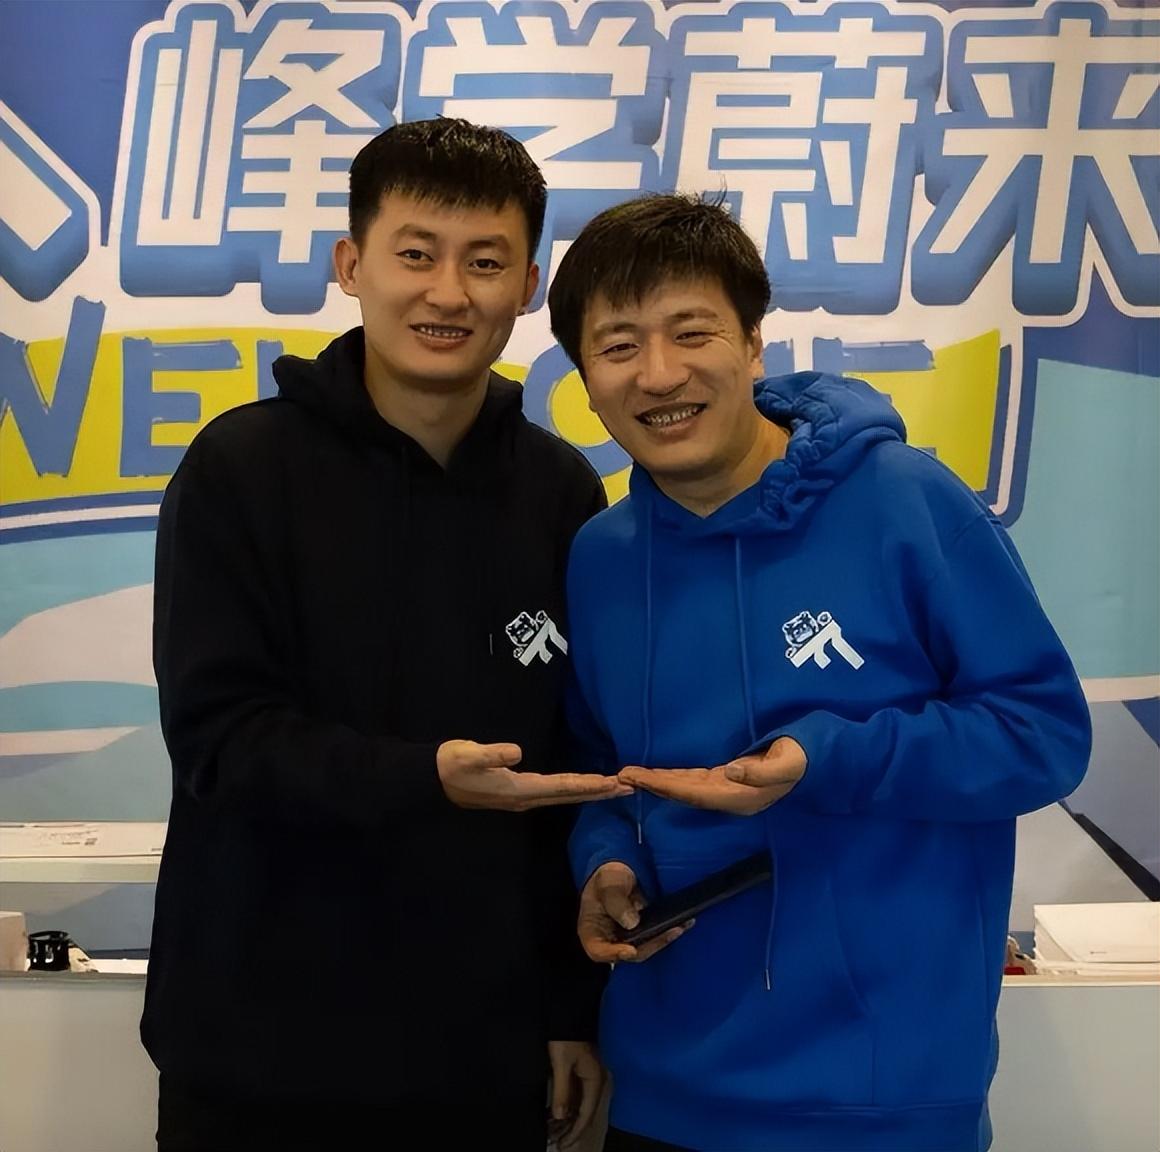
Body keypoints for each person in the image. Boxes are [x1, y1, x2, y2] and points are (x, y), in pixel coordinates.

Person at [546, 193, 1092, 1152]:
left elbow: (1041, 733)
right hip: (662, 1093)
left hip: (881, 1097)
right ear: (585, 379)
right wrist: (606, 862)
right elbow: (600, 770)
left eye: (692, 332)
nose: (660, 373)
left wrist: (826, 760)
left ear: (754, 343)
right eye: (619, 346)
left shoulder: (907, 501)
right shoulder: (600, 556)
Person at [143, 118, 630, 1152]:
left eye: (484, 263)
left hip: (483, 1059)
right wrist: (424, 778)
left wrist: (568, 1006)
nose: (447, 293)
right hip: (258, 1055)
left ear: (528, 286)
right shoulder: (241, 470)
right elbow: (219, 742)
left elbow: (573, 766)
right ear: (351, 265)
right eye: (416, 254)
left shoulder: (560, 493)